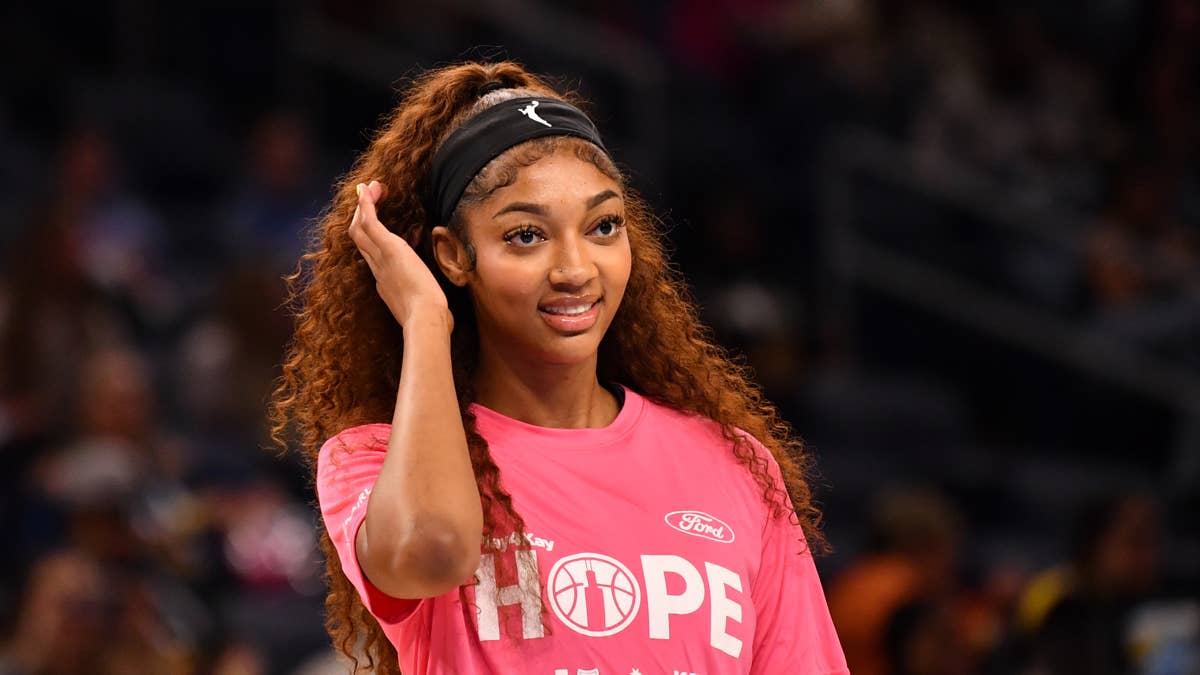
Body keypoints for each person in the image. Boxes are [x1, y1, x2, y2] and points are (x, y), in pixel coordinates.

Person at [269, 60, 848, 675]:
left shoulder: (733, 462)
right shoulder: (377, 459)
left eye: (603, 227)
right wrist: (425, 318)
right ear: (453, 255)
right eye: (526, 235)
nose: (575, 269)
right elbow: (431, 552)